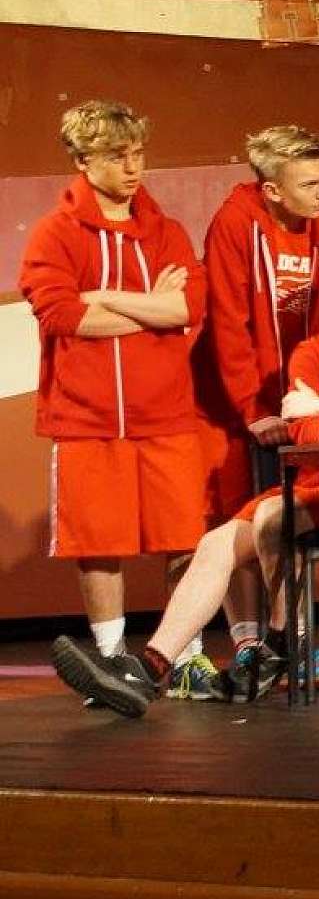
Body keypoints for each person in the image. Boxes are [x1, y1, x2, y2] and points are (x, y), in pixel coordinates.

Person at [48, 238, 319, 716]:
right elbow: (302, 430)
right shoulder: (312, 352)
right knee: (215, 543)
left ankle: (283, 646)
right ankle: (147, 671)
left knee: (274, 516)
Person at [23, 101, 209, 707]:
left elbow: (187, 308)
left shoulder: (166, 231)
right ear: (83, 161)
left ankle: (186, 656)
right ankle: (109, 660)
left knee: (184, 537)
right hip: (86, 415)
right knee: (98, 541)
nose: (133, 168)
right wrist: (148, 307)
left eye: (137, 154)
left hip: (165, 412)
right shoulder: (55, 232)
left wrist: (105, 296)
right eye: (116, 157)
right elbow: (62, 315)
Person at [192, 123, 319, 688]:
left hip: (302, 400)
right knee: (238, 517)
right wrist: (253, 407)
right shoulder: (234, 223)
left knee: (289, 516)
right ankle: (247, 646)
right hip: (233, 402)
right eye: (309, 184)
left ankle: (296, 641)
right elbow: (228, 322)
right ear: (272, 190)